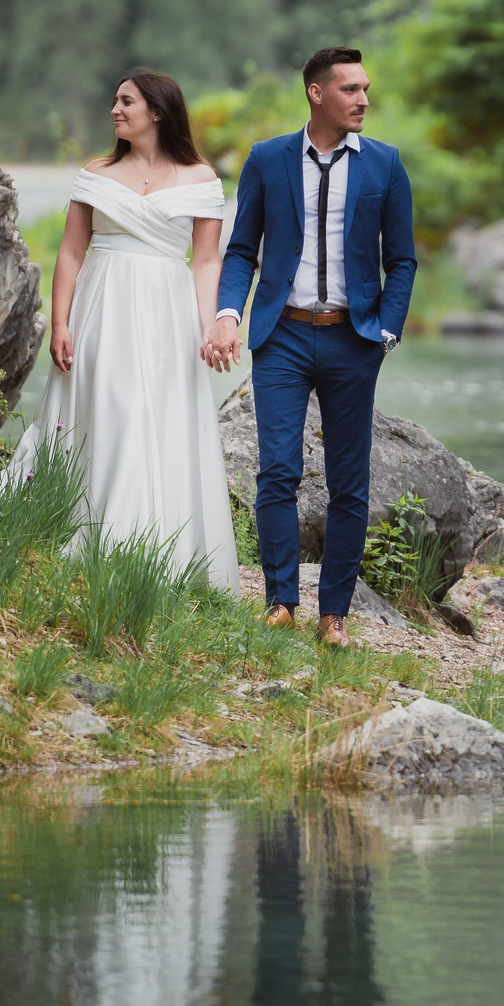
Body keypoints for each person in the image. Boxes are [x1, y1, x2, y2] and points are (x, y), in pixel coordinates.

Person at [206, 46, 416, 646]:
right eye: (350, 89)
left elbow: (400, 259)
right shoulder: (268, 160)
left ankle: (334, 617)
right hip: (283, 336)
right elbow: (242, 248)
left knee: (351, 482)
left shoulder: (385, 164)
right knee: (277, 471)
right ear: (316, 93)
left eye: (366, 88)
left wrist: (386, 328)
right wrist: (228, 313)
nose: (364, 99)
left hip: (355, 339)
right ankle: (280, 602)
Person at [8, 71, 236, 588]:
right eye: (114, 99)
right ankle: (92, 535)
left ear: (157, 111)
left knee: (158, 416)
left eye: (126, 101)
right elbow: (71, 251)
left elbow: (205, 263)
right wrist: (60, 322)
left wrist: (209, 327)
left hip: (167, 311)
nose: (114, 108)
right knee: (110, 408)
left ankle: (157, 551)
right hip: (104, 303)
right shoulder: (97, 172)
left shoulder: (201, 178)